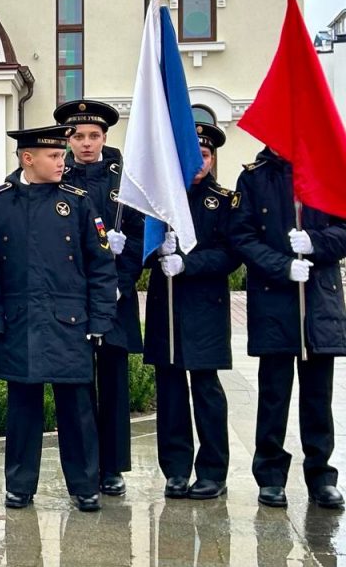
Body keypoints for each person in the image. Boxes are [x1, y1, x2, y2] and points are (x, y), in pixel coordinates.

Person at [0, 125, 117, 512]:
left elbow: (100, 265)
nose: (63, 161)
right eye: (55, 156)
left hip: (68, 320)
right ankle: (20, 486)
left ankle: (84, 485)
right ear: (28, 159)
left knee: (77, 409)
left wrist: (99, 320)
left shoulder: (78, 200)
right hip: (19, 320)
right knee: (23, 409)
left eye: (62, 155)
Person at [229, 146, 346, 510]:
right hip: (275, 298)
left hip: (317, 300)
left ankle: (321, 476)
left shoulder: (328, 174)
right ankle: (270, 476)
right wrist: (281, 265)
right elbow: (242, 236)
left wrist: (316, 242)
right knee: (273, 395)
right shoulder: (253, 177)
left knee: (317, 397)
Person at [143, 122, 240, 499]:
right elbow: (141, 244)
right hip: (166, 305)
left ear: (212, 158)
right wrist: (154, 254)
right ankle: (176, 470)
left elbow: (232, 252)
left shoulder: (224, 201)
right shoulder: (159, 199)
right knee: (169, 390)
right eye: (191, 153)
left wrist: (188, 263)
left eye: (204, 155)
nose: (198, 162)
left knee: (206, 390)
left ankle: (213, 471)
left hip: (205, 306)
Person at [54, 99, 144, 496]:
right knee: (77, 385)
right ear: (68, 139)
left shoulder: (126, 177)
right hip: (72, 297)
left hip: (116, 297)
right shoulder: (57, 175)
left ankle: (112, 467)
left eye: (94, 136)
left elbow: (143, 233)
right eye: (78, 136)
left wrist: (124, 274)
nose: (85, 143)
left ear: (105, 137)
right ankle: (84, 465)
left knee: (112, 382)